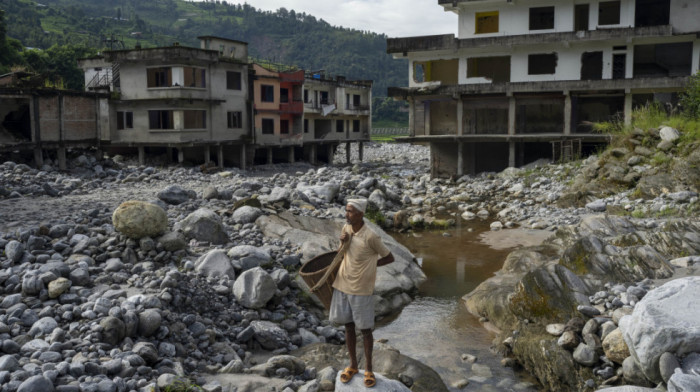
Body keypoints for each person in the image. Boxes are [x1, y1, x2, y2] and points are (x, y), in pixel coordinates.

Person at [329, 198, 395, 388]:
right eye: (346, 210)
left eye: (350, 211)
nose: (346, 214)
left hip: (361, 288)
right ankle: (353, 366)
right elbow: (340, 254)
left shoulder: (371, 236)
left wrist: (371, 267)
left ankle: (369, 369)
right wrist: (342, 243)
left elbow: (389, 257)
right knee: (348, 327)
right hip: (342, 284)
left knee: (365, 330)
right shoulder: (346, 228)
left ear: (360, 214)